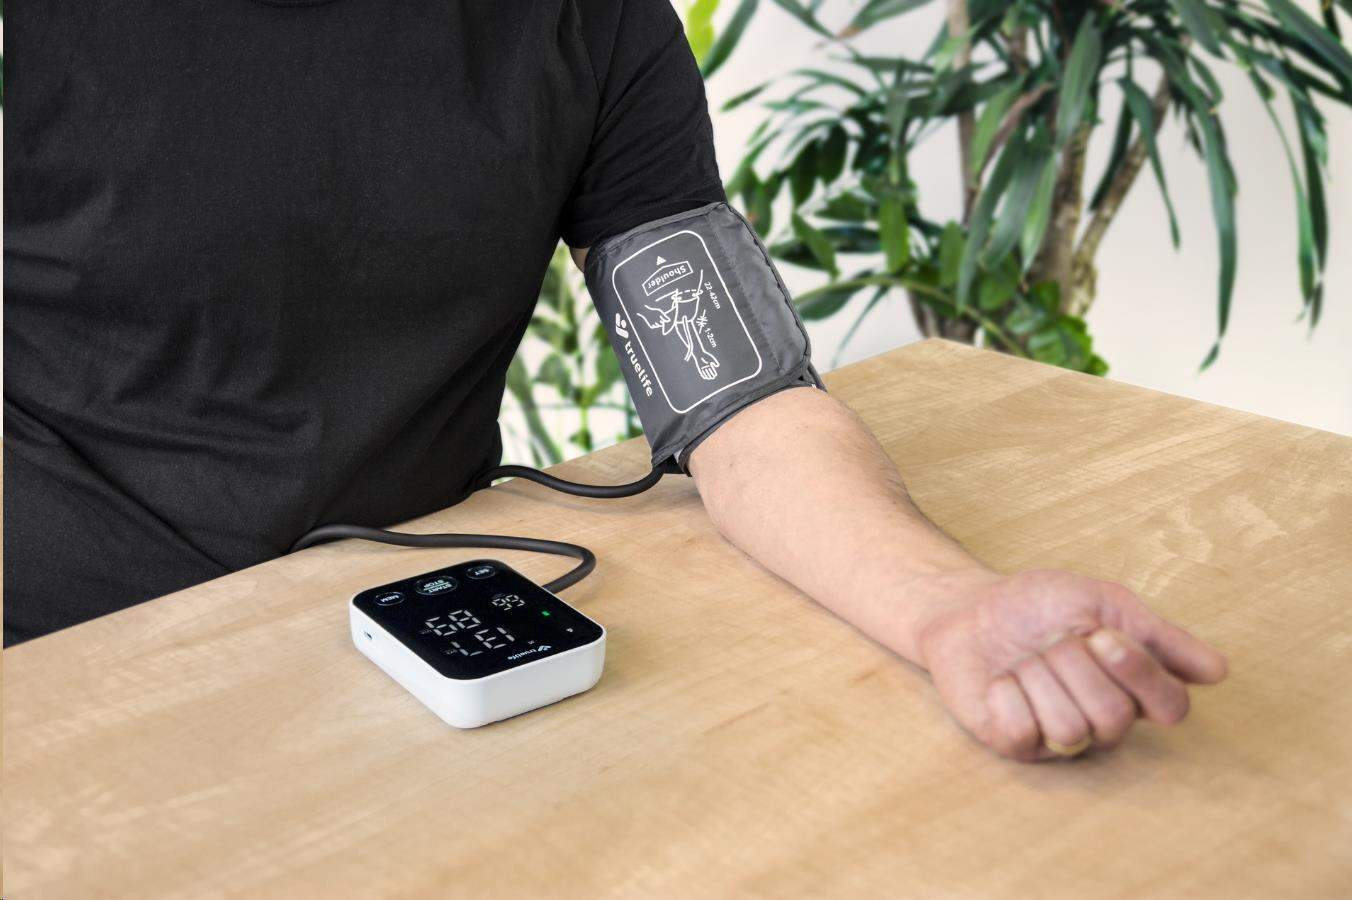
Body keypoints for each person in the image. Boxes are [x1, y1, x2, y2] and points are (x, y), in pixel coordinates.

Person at [4, 0, 1226, 761]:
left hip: (409, 640)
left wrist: (947, 608)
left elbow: (738, 401)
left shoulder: (588, 21)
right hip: (49, 652)